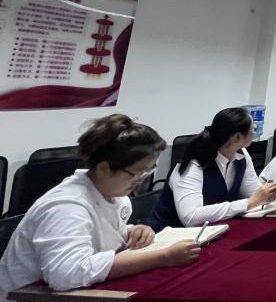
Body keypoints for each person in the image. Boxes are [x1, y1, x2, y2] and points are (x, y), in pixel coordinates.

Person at [0, 115, 200, 298]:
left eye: (148, 171)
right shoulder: (66, 206)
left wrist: (131, 232)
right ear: (104, 169)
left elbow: (97, 234)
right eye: (137, 173)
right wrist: (163, 257)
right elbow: (66, 274)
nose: (140, 180)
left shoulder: (114, 194)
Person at [150, 108, 276, 229]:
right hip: (171, 235)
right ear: (237, 137)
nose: (255, 132)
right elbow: (191, 217)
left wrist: (266, 195)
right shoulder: (195, 163)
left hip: (212, 230)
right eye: (253, 128)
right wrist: (248, 203)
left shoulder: (241, 155)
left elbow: (253, 194)